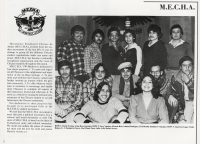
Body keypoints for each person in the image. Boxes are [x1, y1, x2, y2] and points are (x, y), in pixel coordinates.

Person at [166, 56, 194, 123]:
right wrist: (170, 95)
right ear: (180, 67)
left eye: (189, 65)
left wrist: (188, 82)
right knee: (184, 123)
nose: (187, 68)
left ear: (192, 66)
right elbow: (169, 90)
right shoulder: (176, 78)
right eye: (184, 66)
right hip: (187, 103)